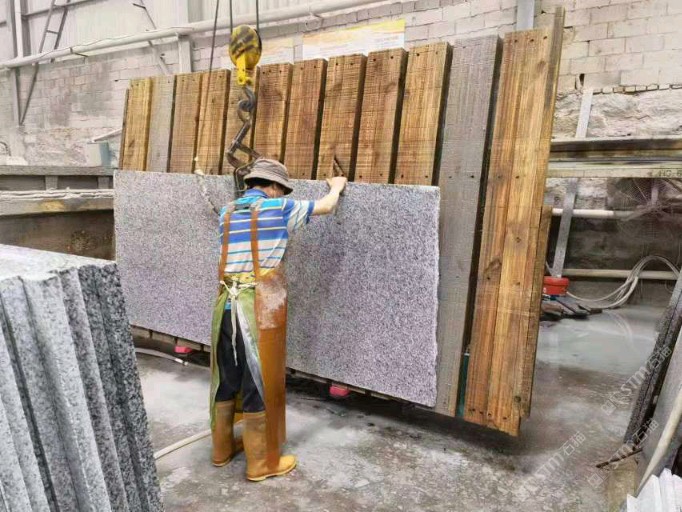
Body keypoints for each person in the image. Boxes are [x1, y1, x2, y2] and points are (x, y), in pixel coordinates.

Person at [209, 158, 347, 482]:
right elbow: (326, 206)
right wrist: (337, 186)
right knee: (258, 381)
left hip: (224, 308)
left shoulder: (227, 213)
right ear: (273, 187)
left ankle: (221, 450)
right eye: (282, 189)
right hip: (256, 308)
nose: (282, 194)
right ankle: (261, 463)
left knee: (226, 377)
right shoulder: (279, 208)